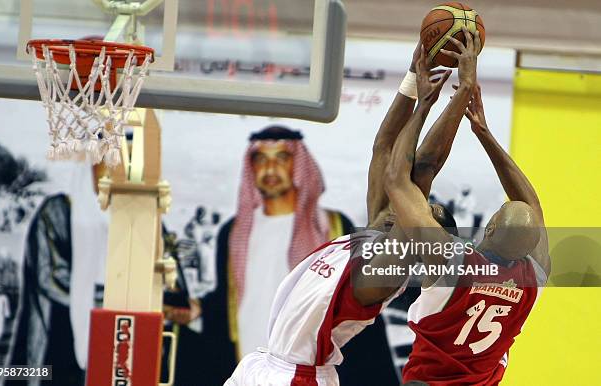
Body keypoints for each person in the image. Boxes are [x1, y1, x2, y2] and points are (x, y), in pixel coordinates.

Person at [224, 39, 464, 385]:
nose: (412, 203)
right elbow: (383, 146)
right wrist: (412, 79)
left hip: (298, 377)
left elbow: (422, 166)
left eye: (422, 210)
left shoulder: (384, 274)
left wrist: (444, 101)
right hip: (261, 364)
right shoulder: (374, 228)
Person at [383, 30, 550, 385]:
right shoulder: (532, 279)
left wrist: (431, 102)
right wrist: (485, 133)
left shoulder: (451, 260)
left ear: (489, 229)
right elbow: (531, 204)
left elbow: (400, 178)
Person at [201, 126, 363, 385]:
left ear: (298, 165)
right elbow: (225, 300)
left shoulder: (334, 226)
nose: (270, 169)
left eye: (282, 158)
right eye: (261, 159)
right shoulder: (232, 232)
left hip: (307, 368)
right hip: (250, 364)